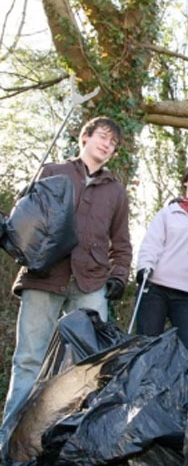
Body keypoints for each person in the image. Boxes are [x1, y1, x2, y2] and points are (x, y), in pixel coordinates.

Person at [1, 117, 132, 438]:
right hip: (44, 277)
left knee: (90, 366)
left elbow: (122, 243)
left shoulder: (116, 191)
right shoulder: (52, 172)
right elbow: (25, 225)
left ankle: (73, 443)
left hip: (91, 283)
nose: (107, 145)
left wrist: (118, 276)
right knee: (30, 360)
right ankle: (10, 442)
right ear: (84, 138)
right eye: (102, 137)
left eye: (113, 143)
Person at [135, 163, 188, 373]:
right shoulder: (167, 214)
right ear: (186, 182)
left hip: (187, 296)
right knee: (146, 348)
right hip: (155, 289)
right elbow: (151, 244)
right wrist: (145, 267)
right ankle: (136, 400)